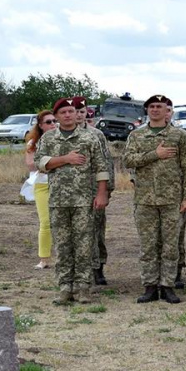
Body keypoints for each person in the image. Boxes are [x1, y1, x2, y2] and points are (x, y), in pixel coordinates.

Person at [34, 98, 109, 305]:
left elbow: (101, 168)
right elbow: (40, 163)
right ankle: (65, 287)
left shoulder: (89, 138)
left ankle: (83, 287)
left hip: (83, 200)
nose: (68, 115)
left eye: (71, 111)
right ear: (57, 116)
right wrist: (65, 159)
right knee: (63, 245)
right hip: (58, 200)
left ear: (77, 114)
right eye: (63, 112)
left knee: (84, 245)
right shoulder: (49, 139)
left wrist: (102, 193)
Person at [124, 94, 186, 305]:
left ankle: (168, 286)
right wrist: (155, 154)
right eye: (152, 106)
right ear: (147, 110)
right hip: (145, 199)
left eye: (160, 107)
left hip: (172, 200)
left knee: (170, 246)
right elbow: (128, 160)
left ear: (167, 111)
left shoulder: (179, 135)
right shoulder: (137, 135)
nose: (155, 110)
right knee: (148, 245)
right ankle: (150, 286)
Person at [72, 96, 115, 286]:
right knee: (75, 232)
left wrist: (106, 190)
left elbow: (106, 163)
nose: (79, 115)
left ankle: (98, 267)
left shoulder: (96, 135)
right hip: (71, 192)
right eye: (76, 111)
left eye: (82, 112)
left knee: (96, 230)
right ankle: (79, 269)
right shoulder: (61, 134)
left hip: (93, 190)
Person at [25, 110, 57, 269]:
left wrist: (47, 164)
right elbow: (31, 164)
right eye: (49, 122)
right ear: (41, 125)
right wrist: (54, 162)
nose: (53, 124)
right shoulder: (33, 143)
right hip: (42, 185)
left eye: (54, 121)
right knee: (45, 222)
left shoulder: (62, 139)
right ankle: (44, 258)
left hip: (61, 185)